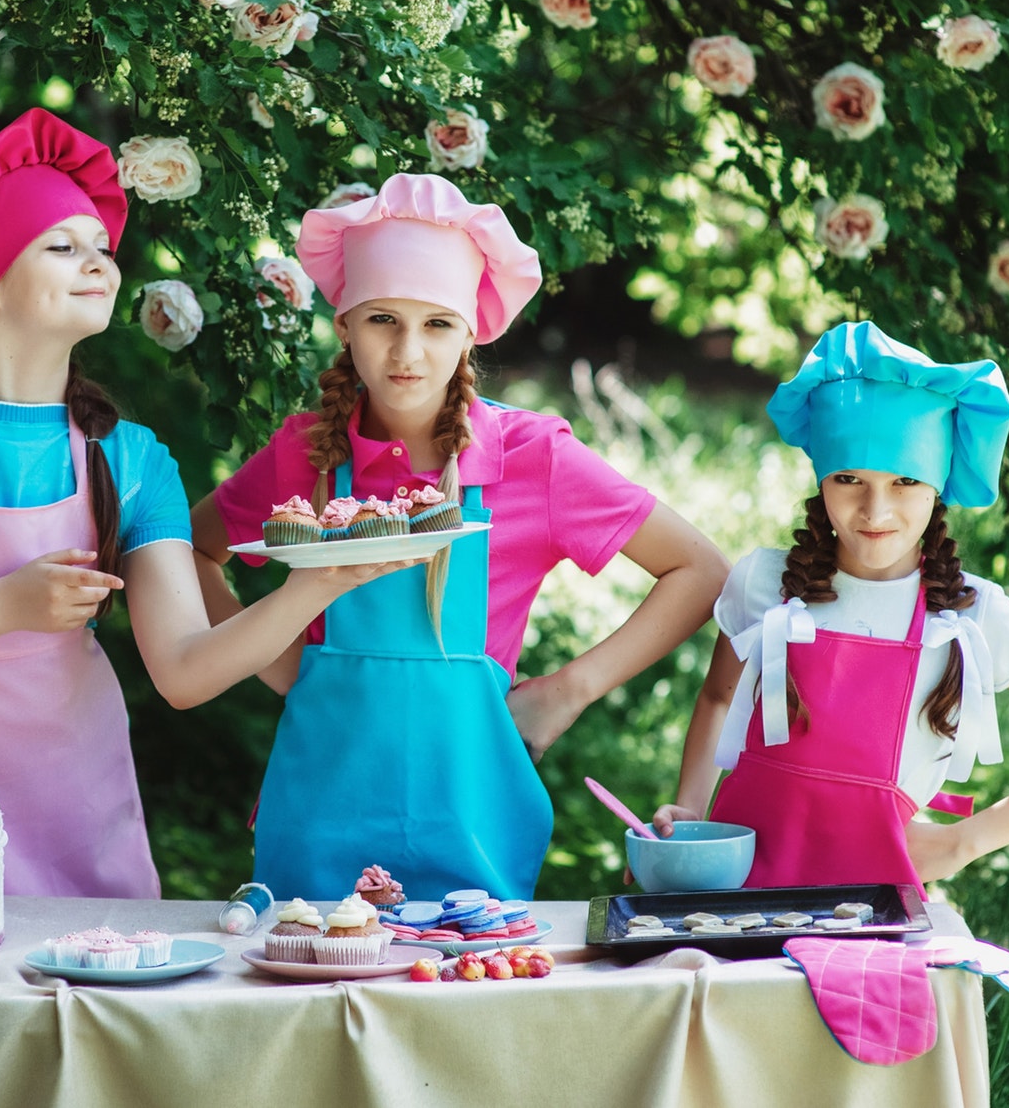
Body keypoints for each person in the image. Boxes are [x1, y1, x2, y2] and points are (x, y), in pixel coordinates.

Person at [0, 109, 413, 898]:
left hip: (75, 803)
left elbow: (183, 670)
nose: (100, 265)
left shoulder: (133, 457)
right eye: (63, 246)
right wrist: (7, 603)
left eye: (103, 250)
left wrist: (317, 584)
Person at [193, 173, 731, 900]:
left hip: (475, 826)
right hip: (318, 820)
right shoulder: (305, 455)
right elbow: (192, 547)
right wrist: (272, 655)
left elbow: (699, 569)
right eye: (382, 318)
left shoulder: (531, 458)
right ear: (345, 324)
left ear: (472, 330)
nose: (406, 351)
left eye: (437, 323)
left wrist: (569, 690)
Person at [652, 321, 1009, 891]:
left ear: (938, 486)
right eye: (849, 478)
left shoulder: (974, 616)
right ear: (821, 481)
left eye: (904, 481)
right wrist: (692, 811)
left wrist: (960, 843)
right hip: (735, 895)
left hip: (872, 913)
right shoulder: (761, 581)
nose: (876, 511)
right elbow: (719, 695)